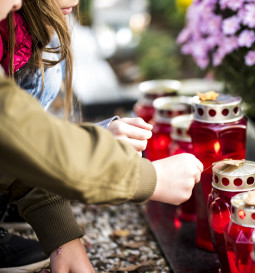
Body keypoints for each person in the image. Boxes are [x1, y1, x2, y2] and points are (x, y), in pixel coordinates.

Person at [0, 0, 203, 272]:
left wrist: (62, 235)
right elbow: (19, 135)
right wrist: (148, 178)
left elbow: (20, 141)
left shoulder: (22, 31)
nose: (16, 1)